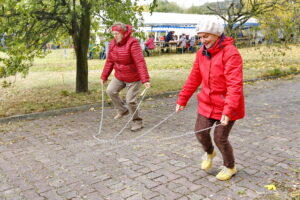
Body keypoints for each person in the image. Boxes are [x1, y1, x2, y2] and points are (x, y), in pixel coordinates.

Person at [176, 20, 245, 181]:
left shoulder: (231, 53)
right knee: (200, 133)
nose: (202, 41)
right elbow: (194, 77)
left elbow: (235, 85)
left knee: (220, 138)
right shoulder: (202, 52)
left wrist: (228, 110)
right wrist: (183, 99)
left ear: (216, 34)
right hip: (207, 103)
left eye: (205, 36)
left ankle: (230, 167)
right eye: (200, 37)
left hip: (227, 105)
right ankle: (209, 153)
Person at [100, 22, 151, 132]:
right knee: (110, 90)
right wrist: (104, 76)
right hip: (120, 75)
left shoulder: (133, 43)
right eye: (113, 34)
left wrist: (145, 79)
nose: (115, 36)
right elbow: (109, 61)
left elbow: (140, 61)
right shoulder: (112, 44)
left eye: (117, 34)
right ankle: (122, 110)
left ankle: (138, 122)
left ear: (123, 33)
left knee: (130, 100)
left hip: (134, 77)